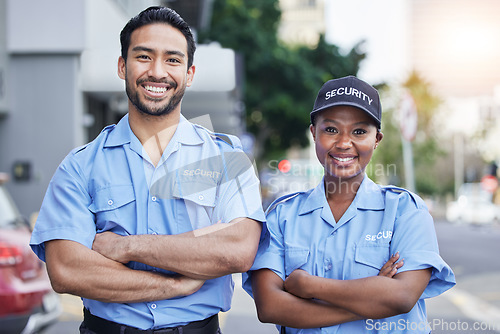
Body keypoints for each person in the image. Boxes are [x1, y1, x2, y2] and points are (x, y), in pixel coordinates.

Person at [30, 6, 267, 334]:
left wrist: (124, 247)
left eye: (172, 59)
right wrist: (176, 285)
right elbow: (67, 270)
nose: (157, 72)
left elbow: (238, 250)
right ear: (122, 66)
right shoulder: (80, 165)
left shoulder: (225, 157)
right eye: (144, 57)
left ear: (190, 73)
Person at [243, 76, 456, 333]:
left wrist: (309, 286)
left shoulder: (405, 211)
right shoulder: (283, 216)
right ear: (314, 133)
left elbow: (402, 297)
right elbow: (270, 308)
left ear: (376, 139)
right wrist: (373, 295)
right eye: (331, 129)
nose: (344, 143)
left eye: (359, 131)